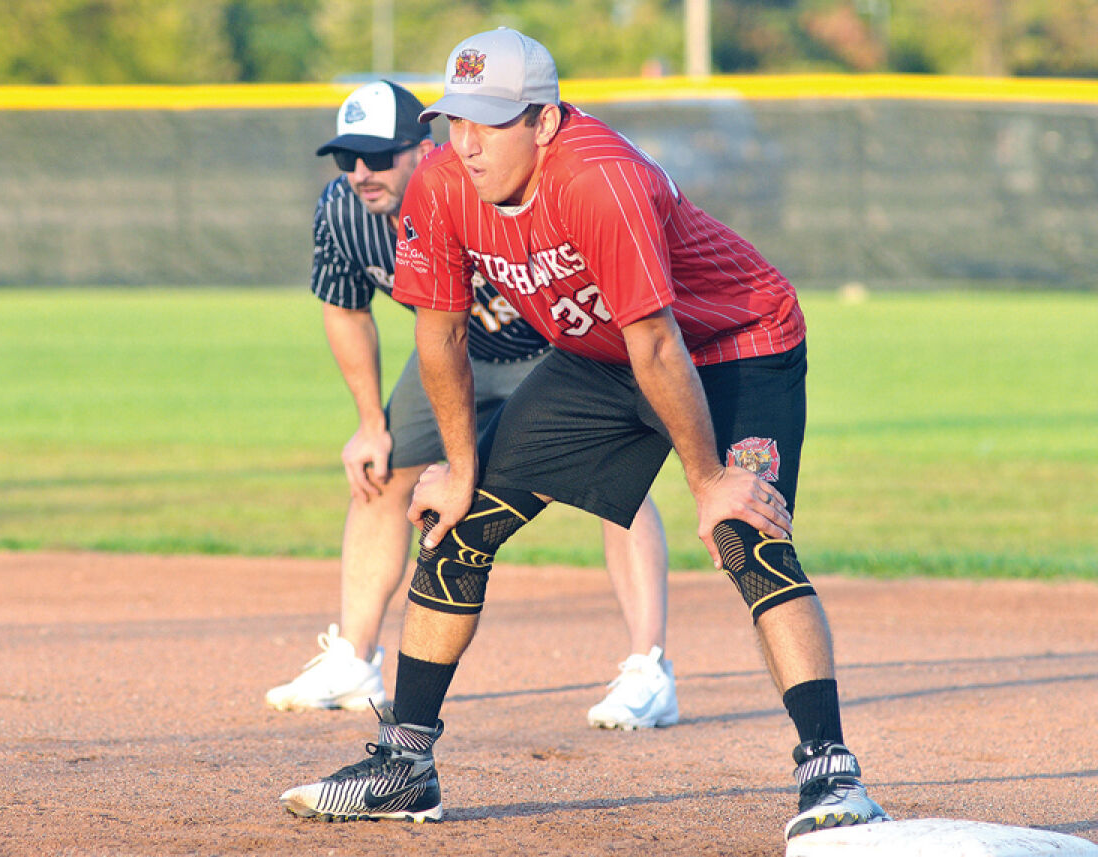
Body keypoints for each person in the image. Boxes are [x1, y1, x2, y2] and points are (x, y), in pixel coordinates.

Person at [279, 31, 892, 841]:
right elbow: (441, 334)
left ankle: (832, 776)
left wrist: (708, 480)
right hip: (599, 356)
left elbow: (660, 344)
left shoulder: (600, 180)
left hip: (736, 343)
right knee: (457, 525)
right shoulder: (439, 182)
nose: (467, 143)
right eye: (456, 119)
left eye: (490, 122)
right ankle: (404, 764)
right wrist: (460, 467)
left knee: (749, 533)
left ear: (544, 121)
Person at [265, 79, 677, 731]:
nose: (361, 174)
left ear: (422, 149)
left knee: (614, 484)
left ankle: (648, 668)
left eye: (378, 156)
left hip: (558, 347)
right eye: (348, 159)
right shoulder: (343, 212)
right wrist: (370, 423)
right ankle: (353, 656)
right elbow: (346, 310)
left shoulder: (470, 189)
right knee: (381, 469)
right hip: (456, 355)